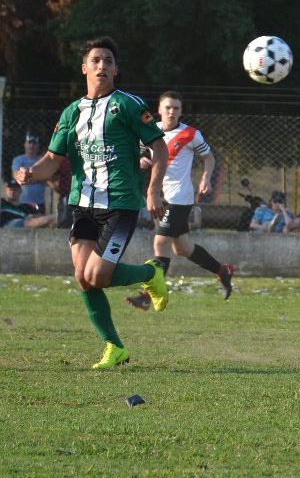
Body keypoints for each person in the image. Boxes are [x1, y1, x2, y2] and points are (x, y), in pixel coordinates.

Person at [14, 36, 169, 369]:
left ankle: (150, 273)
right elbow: (52, 159)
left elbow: (159, 147)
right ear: (85, 68)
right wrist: (29, 174)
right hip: (82, 205)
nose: (102, 65)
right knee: (83, 277)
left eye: (108, 61)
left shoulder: (127, 105)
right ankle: (115, 347)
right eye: (96, 60)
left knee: (97, 275)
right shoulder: (72, 112)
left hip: (121, 204)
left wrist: (153, 189)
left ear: (116, 70)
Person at [126, 91, 234, 310]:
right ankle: (222, 271)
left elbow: (209, 158)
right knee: (182, 248)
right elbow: (137, 156)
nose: (172, 112)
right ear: (159, 109)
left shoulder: (191, 134)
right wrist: (143, 161)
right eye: (167, 107)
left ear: (181, 111)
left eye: (176, 108)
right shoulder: (149, 132)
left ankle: (148, 295)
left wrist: (206, 177)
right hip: (159, 197)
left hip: (179, 197)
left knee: (160, 243)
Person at [11, 133, 46, 213]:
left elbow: (47, 177)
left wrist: (26, 177)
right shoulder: (18, 160)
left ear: (38, 145)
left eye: (34, 143)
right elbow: (17, 176)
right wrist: (38, 177)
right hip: (22, 203)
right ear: (25, 144)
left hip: (39, 203)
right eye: (29, 142)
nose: (32, 145)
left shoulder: (42, 160)